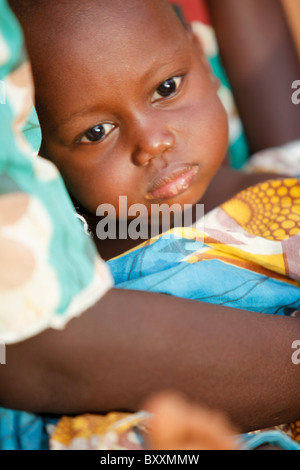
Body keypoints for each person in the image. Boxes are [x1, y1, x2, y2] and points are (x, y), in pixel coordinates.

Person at [2, 0, 300, 450]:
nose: (152, 142)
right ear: (43, 162)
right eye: (96, 132)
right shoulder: (78, 270)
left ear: (202, 56)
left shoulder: (283, 182)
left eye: (166, 87)